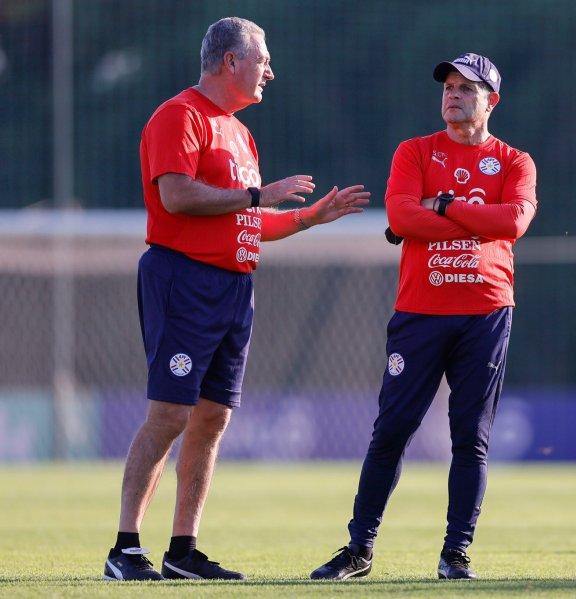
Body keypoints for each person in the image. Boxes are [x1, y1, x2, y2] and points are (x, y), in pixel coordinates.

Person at [102, 17, 370, 582]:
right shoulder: (181, 115)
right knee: (170, 412)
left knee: (213, 417)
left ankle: (182, 550)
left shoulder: (241, 133)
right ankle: (124, 548)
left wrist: (306, 217)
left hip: (233, 286)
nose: (271, 71)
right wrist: (257, 194)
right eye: (263, 59)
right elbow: (177, 196)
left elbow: (247, 222)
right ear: (231, 61)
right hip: (183, 278)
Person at [310, 52, 537, 581]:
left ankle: (455, 554)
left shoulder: (514, 161)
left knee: (470, 439)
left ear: (491, 101)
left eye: (466, 88)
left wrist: (443, 206)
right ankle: (359, 549)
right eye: (448, 87)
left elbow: (514, 221)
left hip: (485, 314)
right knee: (391, 430)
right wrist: (468, 220)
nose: (452, 95)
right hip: (419, 312)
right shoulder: (414, 151)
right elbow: (400, 216)